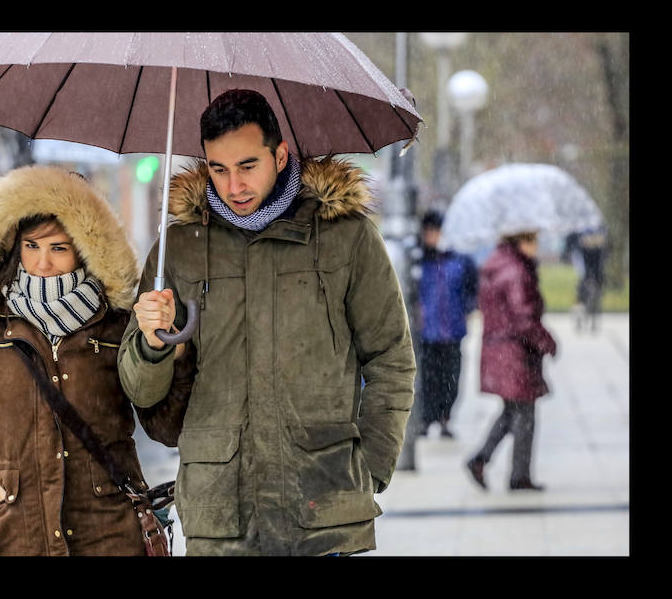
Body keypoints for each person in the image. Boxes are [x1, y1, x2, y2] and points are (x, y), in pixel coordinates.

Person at [117, 89, 416, 556]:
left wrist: (371, 467)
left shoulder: (346, 236)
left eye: (247, 166)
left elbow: (391, 358)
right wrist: (152, 344)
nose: (232, 185)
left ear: (280, 155)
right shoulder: (178, 250)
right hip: (220, 517)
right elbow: (142, 393)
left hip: (324, 513)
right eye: (218, 169)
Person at [0, 164, 185, 556]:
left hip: (108, 536)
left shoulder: (116, 325)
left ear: (85, 249)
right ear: (15, 246)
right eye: (32, 246)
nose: (42, 263)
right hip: (14, 536)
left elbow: (164, 425)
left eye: (58, 248)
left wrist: (166, 351)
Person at [465, 230, 557, 492]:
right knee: (525, 413)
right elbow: (523, 317)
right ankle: (518, 476)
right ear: (522, 241)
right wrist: (547, 341)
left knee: (513, 411)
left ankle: (481, 460)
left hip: (500, 350)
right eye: (534, 241)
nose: (537, 247)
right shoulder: (516, 270)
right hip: (516, 353)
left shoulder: (498, 263)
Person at [415, 210, 478, 438]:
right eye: (429, 231)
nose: (433, 236)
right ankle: (425, 418)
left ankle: (445, 417)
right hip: (426, 332)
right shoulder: (418, 261)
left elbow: (472, 289)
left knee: (450, 377)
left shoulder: (460, 261)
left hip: (452, 331)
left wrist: (468, 310)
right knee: (426, 378)